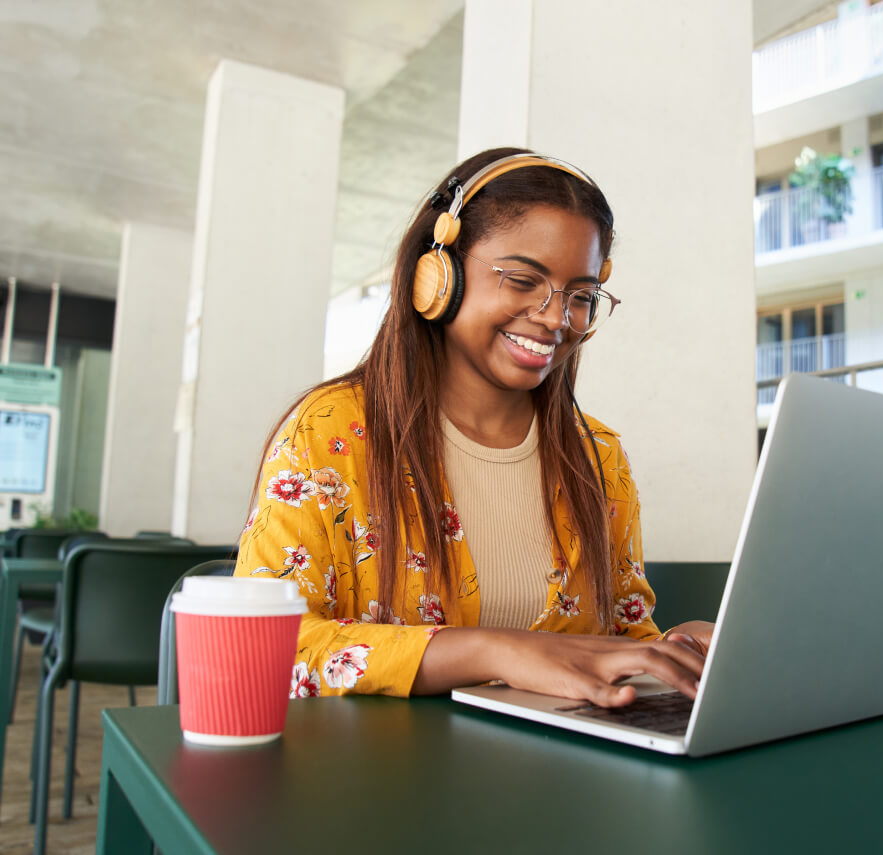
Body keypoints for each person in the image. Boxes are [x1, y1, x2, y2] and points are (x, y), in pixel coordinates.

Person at [236, 147, 712, 707]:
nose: (556, 316)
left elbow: (614, 642)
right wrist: (495, 652)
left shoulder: (598, 456)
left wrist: (675, 651)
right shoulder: (329, 432)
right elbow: (262, 645)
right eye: (522, 280)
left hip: (556, 780)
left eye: (581, 296)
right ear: (438, 274)